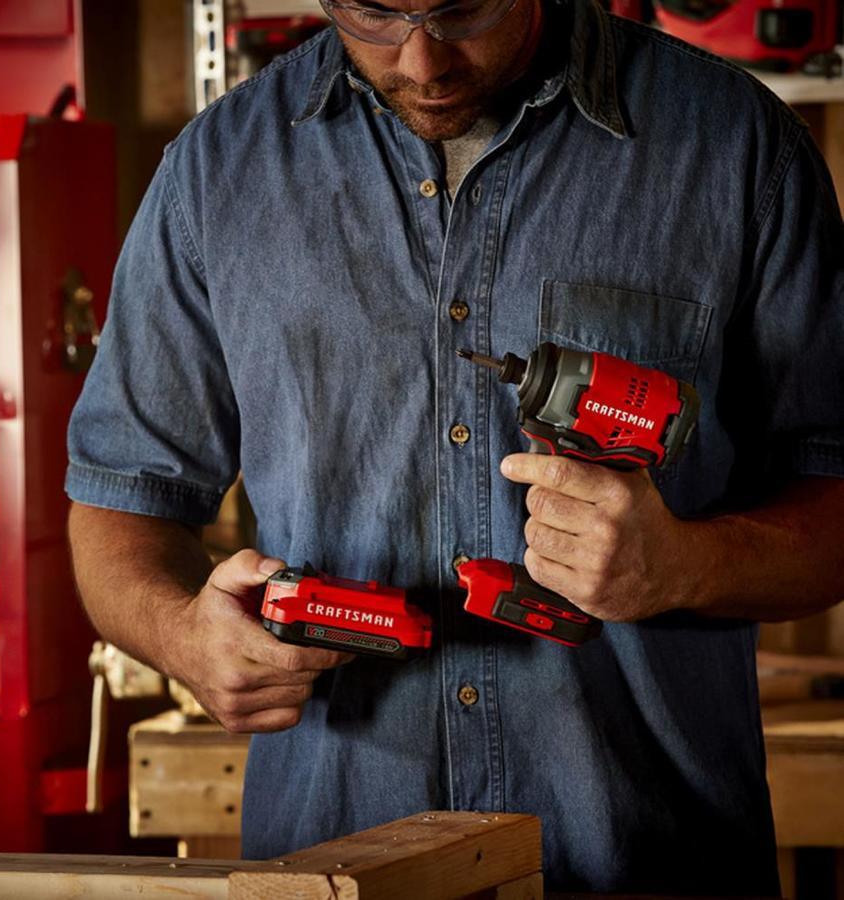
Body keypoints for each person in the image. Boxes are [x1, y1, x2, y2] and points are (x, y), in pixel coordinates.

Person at [65, 0, 844, 893]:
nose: (423, 61)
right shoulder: (218, 172)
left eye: (462, 9)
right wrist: (182, 637)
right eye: (373, 12)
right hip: (336, 867)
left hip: (650, 862)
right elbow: (119, 505)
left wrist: (686, 565)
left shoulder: (736, 147)